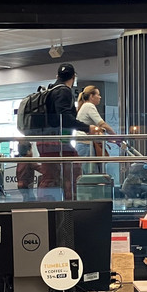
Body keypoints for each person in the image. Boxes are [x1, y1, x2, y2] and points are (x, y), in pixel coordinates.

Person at [30, 63, 96, 198]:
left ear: (57, 76)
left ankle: (48, 204)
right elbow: (65, 118)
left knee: (51, 176)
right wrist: (87, 128)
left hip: (45, 141)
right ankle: (70, 204)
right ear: (73, 77)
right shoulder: (64, 91)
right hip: (57, 142)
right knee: (72, 172)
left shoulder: (50, 90)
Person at [74, 85, 114, 173]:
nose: (100, 97)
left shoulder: (84, 106)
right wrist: (115, 136)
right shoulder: (89, 106)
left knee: (87, 173)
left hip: (83, 145)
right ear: (91, 96)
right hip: (86, 145)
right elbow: (102, 124)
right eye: (98, 94)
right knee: (90, 174)